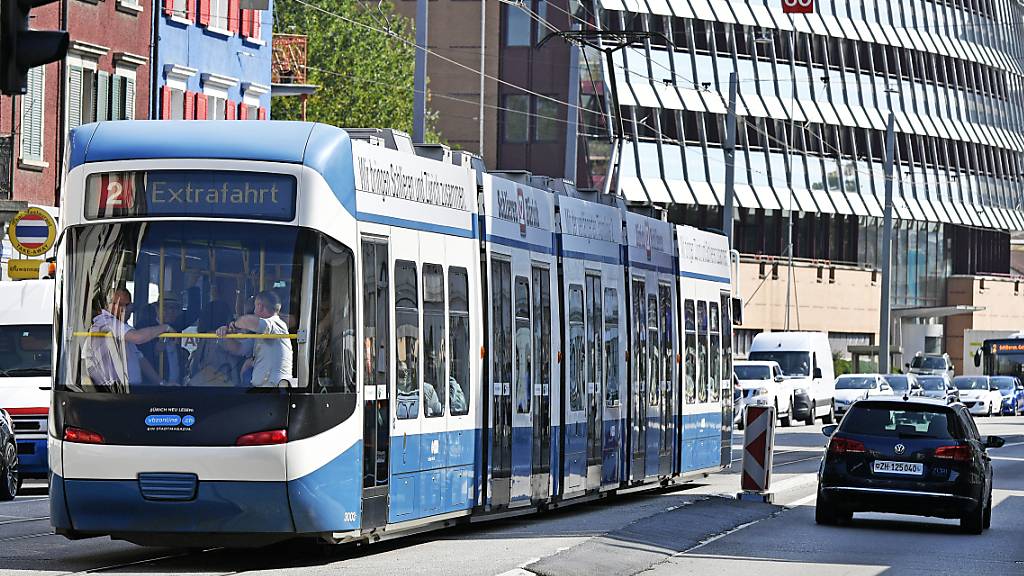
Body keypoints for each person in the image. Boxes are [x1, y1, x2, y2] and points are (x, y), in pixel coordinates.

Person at [84, 288, 172, 392]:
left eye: (127, 305)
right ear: (106, 305)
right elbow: (138, 337)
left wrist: (162, 383)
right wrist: (165, 328)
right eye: (118, 304)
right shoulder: (105, 322)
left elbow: (141, 360)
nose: (123, 309)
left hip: (128, 391)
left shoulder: (122, 329)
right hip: (111, 392)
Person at [216, 290, 293, 387]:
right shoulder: (266, 330)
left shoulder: (275, 324)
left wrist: (233, 326)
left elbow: (246, 320)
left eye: (255, 306)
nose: (254, 311)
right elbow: (238, 348)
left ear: (260, 306)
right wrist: (225, 334)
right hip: (264, 388)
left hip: (273, 389)